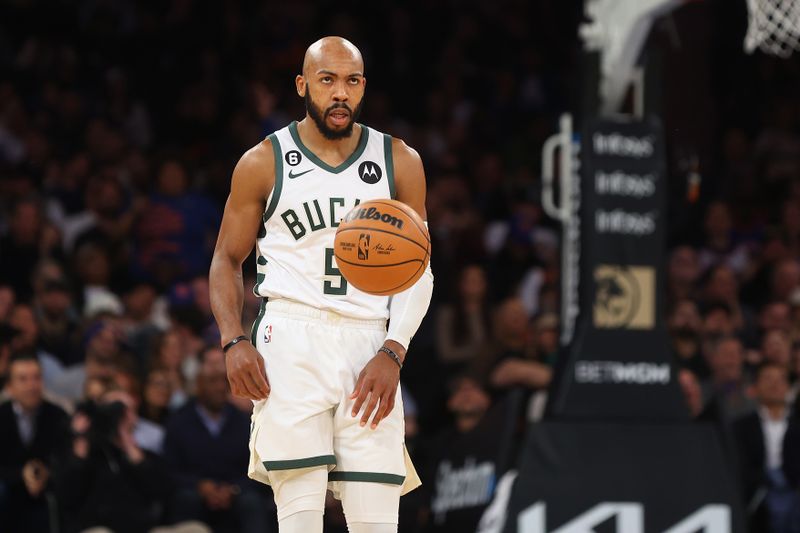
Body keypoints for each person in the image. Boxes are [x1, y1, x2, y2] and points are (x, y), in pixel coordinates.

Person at [209, 37, 434, 533]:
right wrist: (233, 338)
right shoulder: (262, 162)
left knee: (377, 523)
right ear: (302, 84)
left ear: (363, 88)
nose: (340, 93)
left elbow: (420, 268)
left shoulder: (400, 161)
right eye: (327, 80)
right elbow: (227, 259)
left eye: (351, 81)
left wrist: (394, 349)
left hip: (371, 340)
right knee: (301, 521)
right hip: (291, 340)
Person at [0, 353, 71, 533]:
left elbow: (65, 458)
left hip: (48, 487)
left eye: (37, 378)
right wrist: (21, 474)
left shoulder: (58, 415)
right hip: (8, 488)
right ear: (9, 386)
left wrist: (45, 473)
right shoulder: (1, 416)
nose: (32, 385)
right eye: (23, 379)